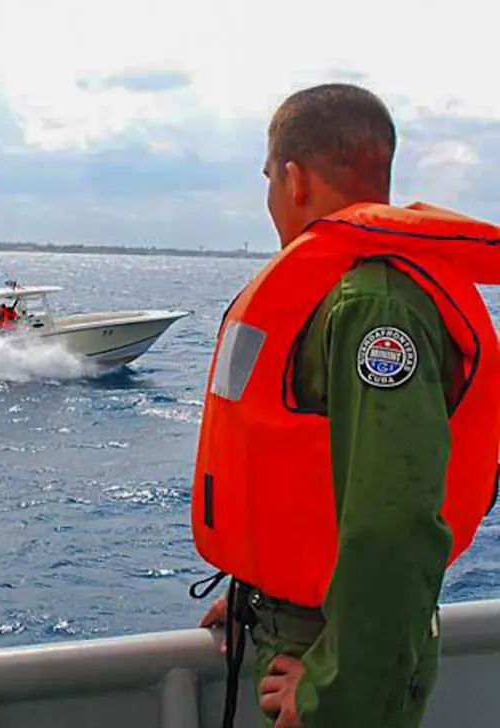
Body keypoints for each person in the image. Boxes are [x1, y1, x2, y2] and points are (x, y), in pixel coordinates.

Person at [190, 83, 500, 728]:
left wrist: (335, 691)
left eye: (269, 178)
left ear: (295, 180)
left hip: (330, 662)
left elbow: (395, 522)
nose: (271, 197)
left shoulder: (372, 305)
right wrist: (260, 586)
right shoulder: (339, 291)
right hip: (299, 626)